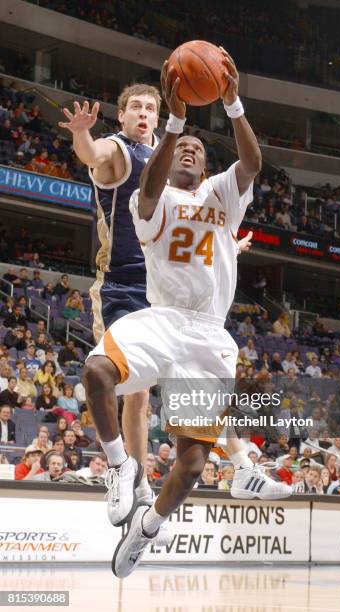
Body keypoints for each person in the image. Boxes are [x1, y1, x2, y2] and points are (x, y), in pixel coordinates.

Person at [83, 52, 291, 578]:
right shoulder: (148, 204)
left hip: (208, 337)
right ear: (169, 157)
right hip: (162, 319)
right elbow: (148, 182)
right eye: (183, 149)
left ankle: (148, 527)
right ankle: (120, 466)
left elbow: (251, 164)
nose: (192, 153)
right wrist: (175, 120)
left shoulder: (223, 192)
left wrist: (232, 101)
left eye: (200, 149)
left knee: (193, 464)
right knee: (96, 371)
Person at [61, 79, 255, 513]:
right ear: (123, 115)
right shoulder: (118, 149)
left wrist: (227, 245)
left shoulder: (172, 155)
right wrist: (80, 133)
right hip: (125, 281)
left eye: (151, 107)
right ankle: (132, 478)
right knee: (135, 391)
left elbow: (196, 224)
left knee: (198, 368)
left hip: (171, 290)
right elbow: (92, 155)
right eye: (135, 108)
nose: (144, 114)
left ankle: (238, 464)